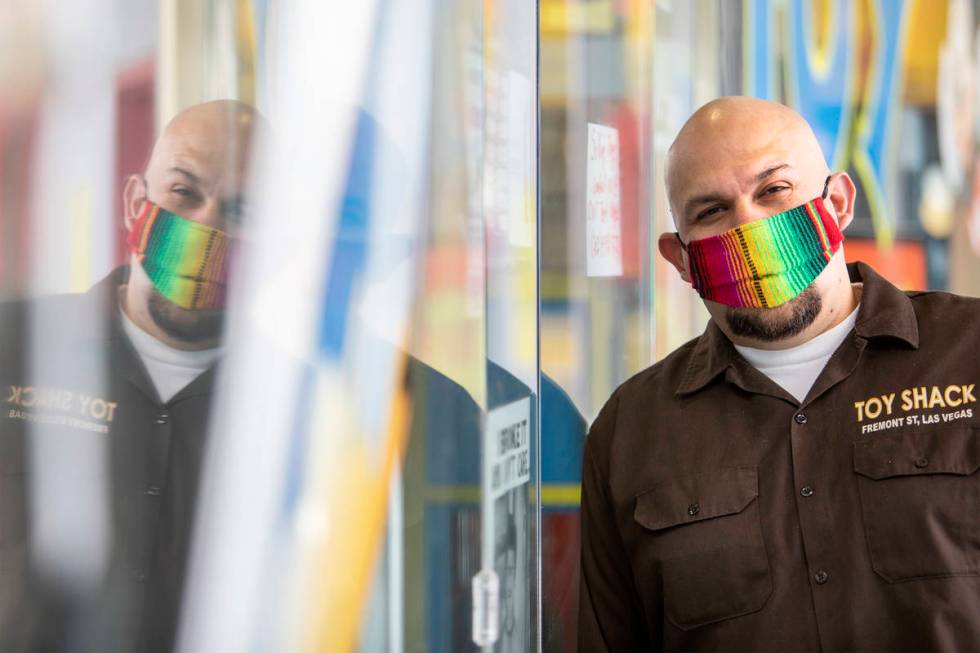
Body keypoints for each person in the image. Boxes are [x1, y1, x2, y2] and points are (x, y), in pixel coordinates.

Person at [578, 96, 980, 652]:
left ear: (836, 204)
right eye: (712, 211)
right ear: (681, 260)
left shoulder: (969, 352)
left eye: (774, 191)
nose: (750, 226)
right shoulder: (632, 433)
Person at [0, 100, 258, 652]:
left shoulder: (286, 403)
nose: (204, 226)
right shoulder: (17, 344)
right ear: (135, 203)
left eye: (241, 211)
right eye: (184, 193)